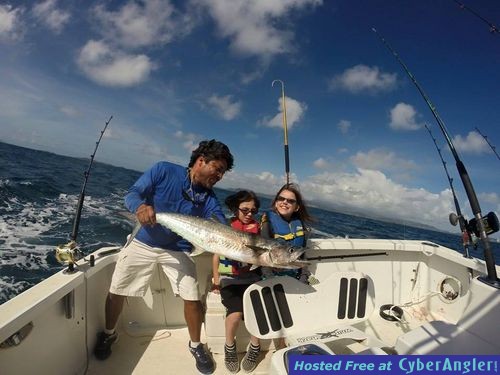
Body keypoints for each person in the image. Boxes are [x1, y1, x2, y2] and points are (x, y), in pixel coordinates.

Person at [93, 139, 234, 375]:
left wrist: (235, 239)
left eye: (222, 173)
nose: (219, 176)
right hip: (143, 241)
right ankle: (109, 334)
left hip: (177, 249)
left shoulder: (209, 198)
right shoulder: (164, 170)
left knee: (191, 296)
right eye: (217, 169)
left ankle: (196, 345)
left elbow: (219, 222)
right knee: (117, 289)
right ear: (201, 161)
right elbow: (134, 193)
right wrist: (139, 207)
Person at [211, 190, 262, 373]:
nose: (249, 214)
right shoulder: (226, 226)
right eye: (245, 210)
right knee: (234, 314)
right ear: (235, 209)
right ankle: (229, 347)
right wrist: (216, 279)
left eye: (253, 211)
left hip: (252, 279)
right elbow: (216, 254)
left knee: (255, 313)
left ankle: (255, 347)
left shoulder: (259, 228)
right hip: (230, 280)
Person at [260, 183, 312, 349]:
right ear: (275, 202)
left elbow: (302, 255)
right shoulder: (267, 222)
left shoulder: (300, 225)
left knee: (290, 316)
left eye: (290, 200)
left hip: (294, 279)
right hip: (269, 277)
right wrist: (268, 278)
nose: (285, 202)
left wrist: (303, 278)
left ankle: (283, 348)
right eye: (281, 199)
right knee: (265, 312)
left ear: (297, 207)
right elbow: (262, 254)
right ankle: (255, 347)